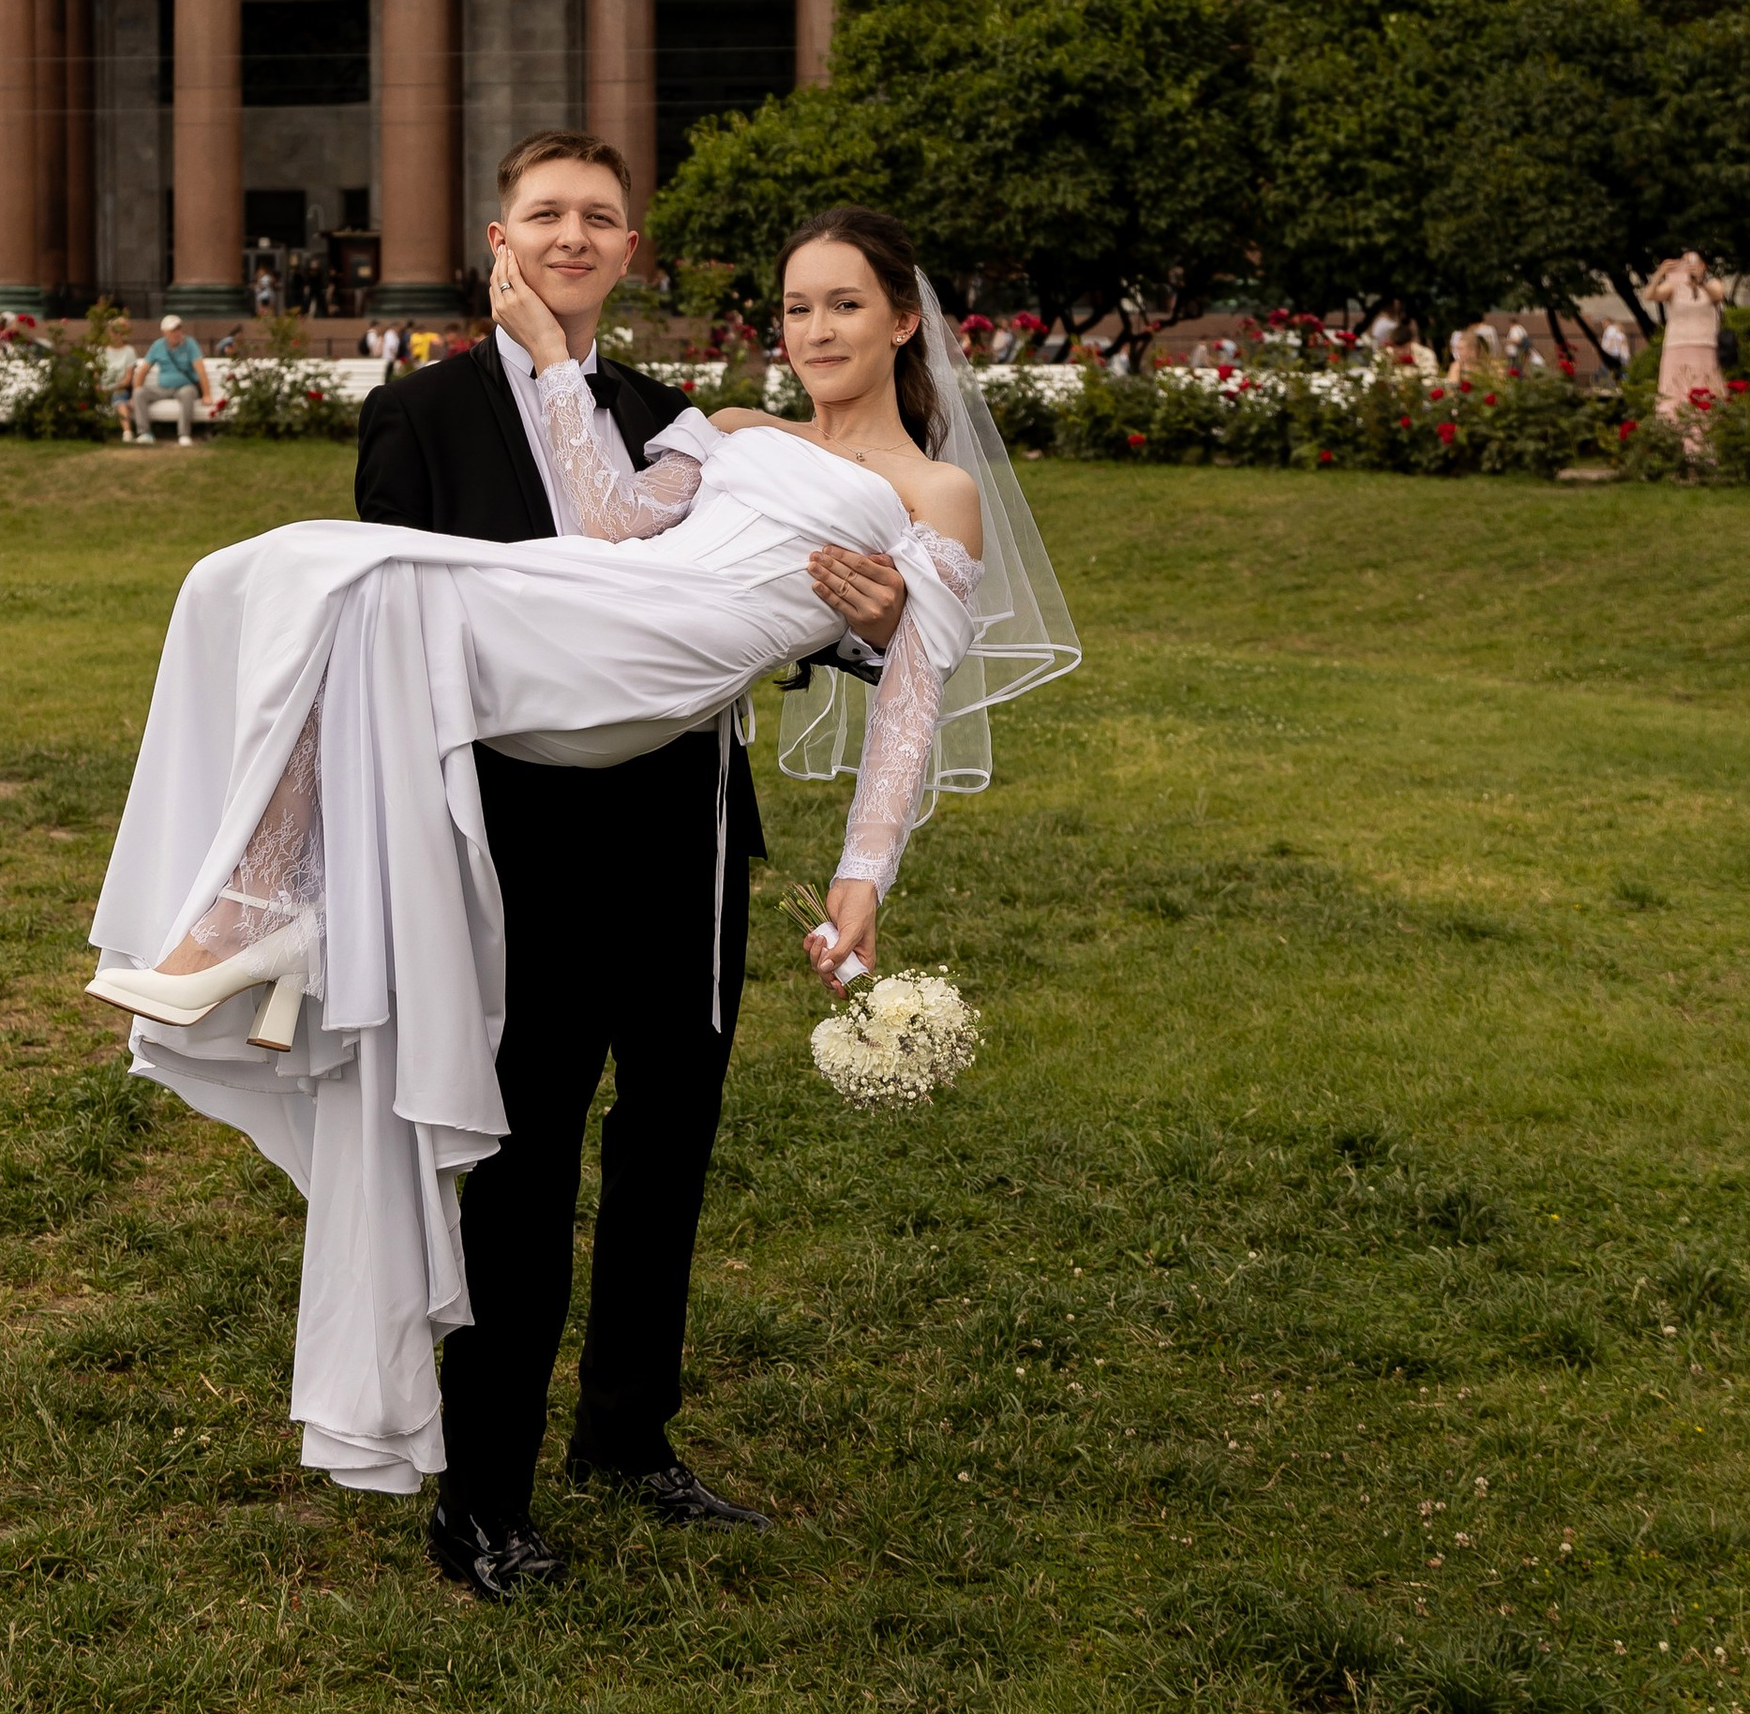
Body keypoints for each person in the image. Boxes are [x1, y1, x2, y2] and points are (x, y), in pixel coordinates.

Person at [87, 172, 1078, 1570]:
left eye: (844, 303)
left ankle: (630, 1433)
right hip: (535, 780)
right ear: (501, 239)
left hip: (675, 816)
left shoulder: (926, 490)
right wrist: (554, 371)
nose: (815, 327)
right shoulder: (697, 427)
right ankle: (480, 1488)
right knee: (305, 578)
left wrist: (865, 862)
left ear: (905, 320)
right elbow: (606, 527)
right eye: (796, 306)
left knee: (666, 1147)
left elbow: (906, 693)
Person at [1649, 252, 1726, 437]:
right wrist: (1659, 274)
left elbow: (1717, 296)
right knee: (1674, 391)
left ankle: (1705, 439)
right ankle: (1673, 436)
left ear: (1703, 266)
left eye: (1694, 262)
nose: (1689, 266)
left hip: (1705, 346)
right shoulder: (1673, 286)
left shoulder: (1712, 283)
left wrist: (1700, 282)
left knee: (1706, 390)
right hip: (1677, 346)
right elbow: (1650, 295)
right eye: (1685, 262)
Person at [133, 315, 207, 446]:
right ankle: (145, 433)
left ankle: (184, 434)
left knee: (187, 393)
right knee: (139, 393)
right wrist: (135, 391)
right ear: (165, 333)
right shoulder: (157, 346)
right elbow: (142, 371)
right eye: (173, 330)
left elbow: (200, 370)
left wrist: (207, 394)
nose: (177, 333)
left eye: (179, 329)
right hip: (163, 388)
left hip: (185, 386)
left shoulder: (190, 344)